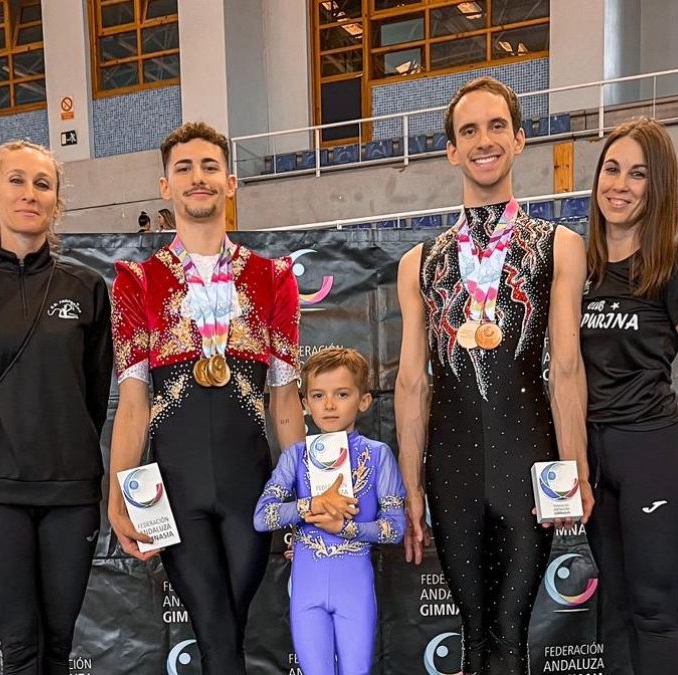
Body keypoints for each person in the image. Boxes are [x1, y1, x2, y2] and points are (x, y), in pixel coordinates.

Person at [394, 76, 592, 674]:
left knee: (509, 633)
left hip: (529, 461)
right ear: (451, 149)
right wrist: (409, 489)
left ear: (521, 139)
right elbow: (411, 382)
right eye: (469, 130)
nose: (484, 140)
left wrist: (575, 471)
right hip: (450, 468)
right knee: (473, 631)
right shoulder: (419, 262)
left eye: (497, 126)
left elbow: (564, 368)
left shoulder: (559, 245)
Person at [108, 121, 305, 674]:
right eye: (185, 168)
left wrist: (305, 490)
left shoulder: (272, 277)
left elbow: (285, 402)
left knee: (228, 629)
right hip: (174, 492)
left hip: (253, 488)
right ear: (165, 186)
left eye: (210, 167)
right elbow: (133, 403)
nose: (199, 178)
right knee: (216, 633)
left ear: (231, 182)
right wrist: (119, 492)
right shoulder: (137, 281)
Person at [0, 140, 114, 675]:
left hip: (70, 490)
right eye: (16, 181)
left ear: (57, 203)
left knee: (57, 646)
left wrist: (64, 447)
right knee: (18, 647)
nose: (29, 194)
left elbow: (93, 394)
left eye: (42, 184)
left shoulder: (86, 287)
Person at [580, 117, 678, 675]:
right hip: (594, 457)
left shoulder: (671, 264)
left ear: (656, 186)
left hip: (655, 454)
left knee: (654, 611)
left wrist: (677, 449)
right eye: (611, 169)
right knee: (614, 610)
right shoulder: (583, 268)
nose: (619, 185)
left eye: (637, 174)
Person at [253, 348, 404, 675]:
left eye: (342, 394)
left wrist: (346, 529)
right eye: (319, 395)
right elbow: (263, 517)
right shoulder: (296, 456)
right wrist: (311, 505)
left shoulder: (378, 456)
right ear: (305, 404)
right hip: (307, 588)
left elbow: (395, 528)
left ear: (364, 401)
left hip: (355, 588)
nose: (330, 405)